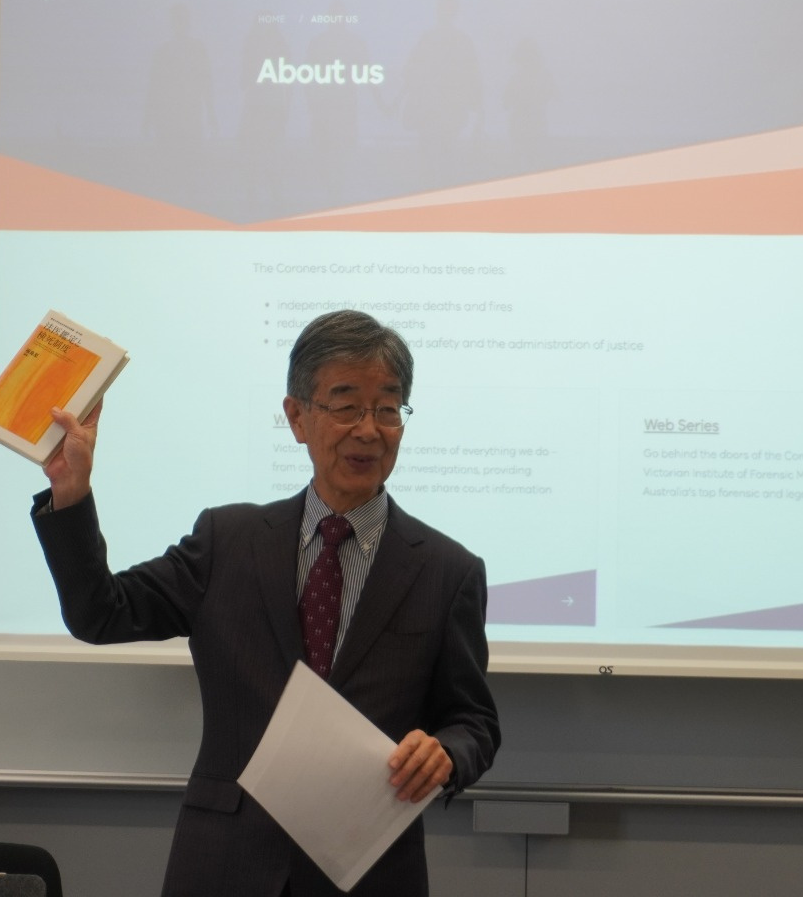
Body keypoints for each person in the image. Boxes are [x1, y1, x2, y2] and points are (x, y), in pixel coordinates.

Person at [31, 310, 500, 897]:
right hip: (226, 864)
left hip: (368, 870)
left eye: (387, 408)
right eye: (346, 405)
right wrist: (71, 492)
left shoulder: (447, 571)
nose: (368, 429)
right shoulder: (227, 542)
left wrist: (447, 753)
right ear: (297, 417)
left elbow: (474, 721)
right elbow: (100, 613)